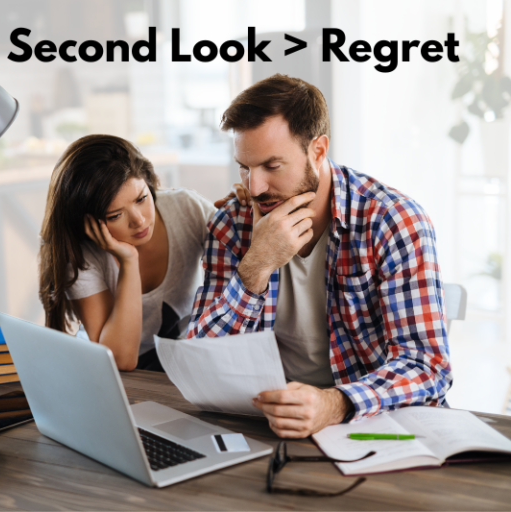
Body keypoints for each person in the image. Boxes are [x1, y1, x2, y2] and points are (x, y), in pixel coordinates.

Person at [187, 74, 452, 438]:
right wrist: (255, 267)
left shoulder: (392, 222)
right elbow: (198, 363)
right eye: (245, 168)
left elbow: (426, 366)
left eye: (271, 166)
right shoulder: (231, 224)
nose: (255, 187)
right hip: (268, 424)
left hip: (372, 422)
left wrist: (334, 403)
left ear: (318, 150)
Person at [39, 134, 219, 371]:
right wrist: (128, 260)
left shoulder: (186, 208)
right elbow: (120, 359)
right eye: (115, 215)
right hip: (115, 378)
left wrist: (244, 210)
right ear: (87, 221)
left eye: (142, 198)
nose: (139, 220)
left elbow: (242, 255)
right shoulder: (81, 257)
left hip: (183, 365)